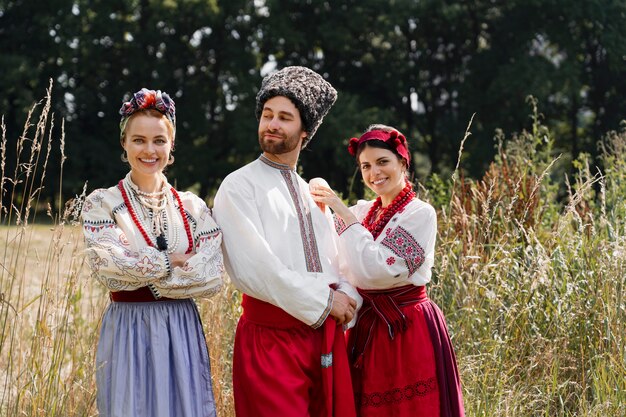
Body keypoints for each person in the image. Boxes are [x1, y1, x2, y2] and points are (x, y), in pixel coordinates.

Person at [213, 66, 360, 417]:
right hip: (270, 340)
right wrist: (326, 301)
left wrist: (347, 299)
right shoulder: (238, 186)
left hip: (322, 337)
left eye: (284, 117)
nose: (272, 124)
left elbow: (335, 264)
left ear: (305, 131)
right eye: (267, 115)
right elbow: (256, 270)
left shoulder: (311, 193)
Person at [81, 88, 225, 417]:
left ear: (171, 145)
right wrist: (170, 262)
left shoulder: (192, 207)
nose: (150, 150)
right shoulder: (101, 203)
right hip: (128, 328)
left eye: (159, 140)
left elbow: (210, 277)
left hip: (181, 328)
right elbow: (108, 267)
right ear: (124, 143)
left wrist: (144, 271)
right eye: (139, 140)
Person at [310, 125, 465, 417]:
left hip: (407, 325)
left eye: (383, 162)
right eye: (365, 166)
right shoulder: (361, 212)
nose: (374, 173)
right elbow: (337, 262)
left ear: (402, 163)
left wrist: (340, 211)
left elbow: (377, 270)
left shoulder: (419, 213)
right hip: (368, 325)